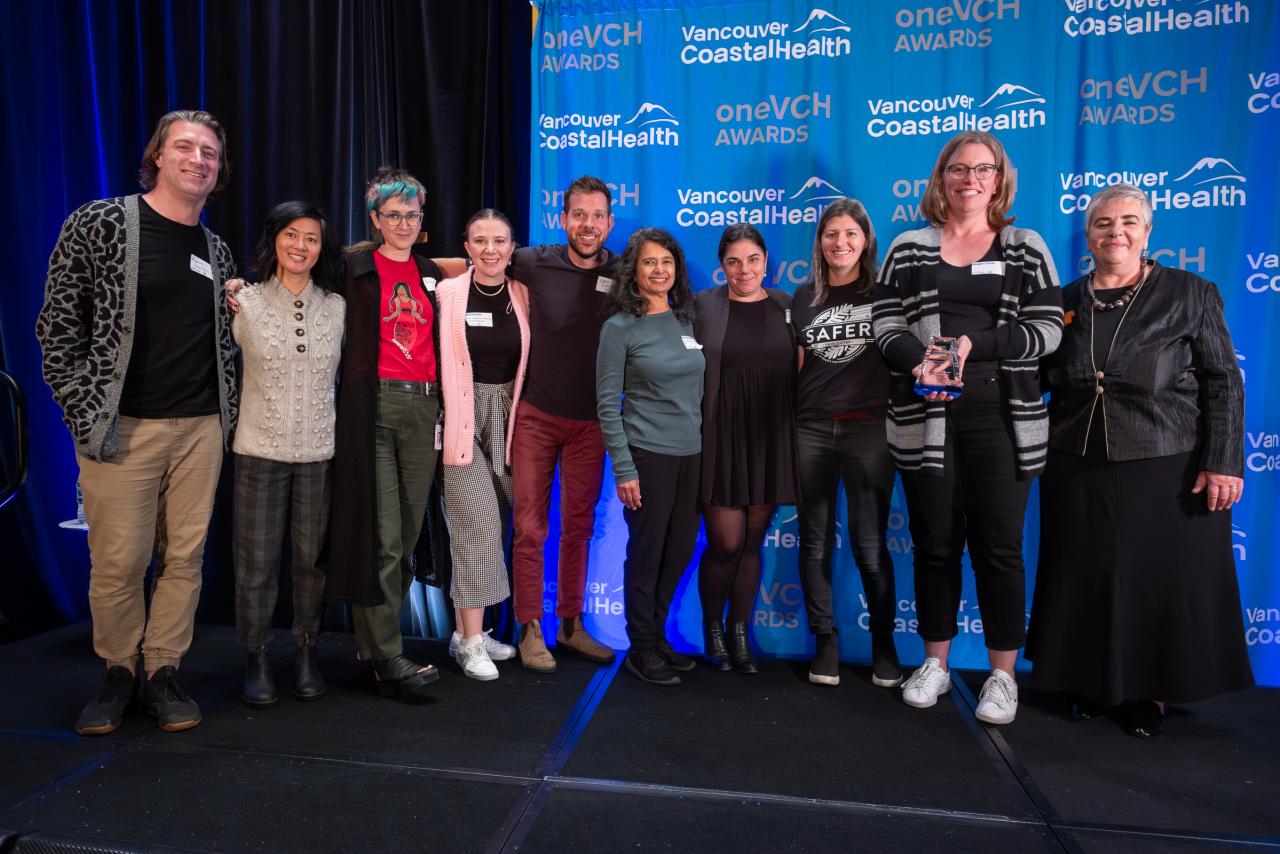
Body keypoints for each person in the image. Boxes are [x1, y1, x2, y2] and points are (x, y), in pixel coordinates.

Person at [1026, 183, 1253, 738]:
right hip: (1076, 458)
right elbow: (1035, 379)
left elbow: (1224, 381)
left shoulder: (1190, 292)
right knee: (1085, 575)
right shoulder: (1064, 299)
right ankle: (1085, 682)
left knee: (1155, 581)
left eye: (1129, 222)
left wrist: (1223, 460)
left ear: (1148, 232)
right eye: (1104, 224)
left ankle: (1148, 693)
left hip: (1166, 459)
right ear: (1089, 235)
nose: (1116, 233)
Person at [36, 109, 237, 734]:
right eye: (184, 147)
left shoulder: (216, 249)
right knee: (118, 561)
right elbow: (57, 327)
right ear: (156, 155)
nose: (197, 159)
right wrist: (83, 408)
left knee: (184, 558)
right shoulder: (98, 223)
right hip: (123, 428)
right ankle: (118, 672)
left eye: (209, 151)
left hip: (201, 428)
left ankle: (163, 671)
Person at [873, 131, 1063, 725]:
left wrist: (970, 345)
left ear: (999, 179)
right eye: (958, 169)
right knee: (934, 546)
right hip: (925, 418)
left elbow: (1048, 330)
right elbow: (883, 325)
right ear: (942, 178)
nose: (970, 179)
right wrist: (920, 360)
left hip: (1002, 420)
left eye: (983, 169)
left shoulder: (1025, 247)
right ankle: (936, 662)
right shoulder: (907, 247)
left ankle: (1003, 676)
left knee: (1000, 549)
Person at [324, 168, 445, 699]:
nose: (402, 222)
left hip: (423, 409)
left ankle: (375, 642)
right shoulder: (351, 268)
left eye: (411, 215)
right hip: (372, 406)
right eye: (391, 214)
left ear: (421, 222)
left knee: (411, 534)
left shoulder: (431, 271)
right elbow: (294, 272)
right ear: (375, 219)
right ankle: (385, 654)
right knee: (384, 538)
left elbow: (481, 267)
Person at [231, 202, 345, 707]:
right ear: (274, 238)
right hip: (258, 450)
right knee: (255, 563)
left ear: (323, 249)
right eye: (291, 235)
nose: (301, 246)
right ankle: (255, 654)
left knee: (311, 563)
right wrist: (232, 289)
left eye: (312, 239)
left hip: (319, 452)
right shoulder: (244, 301)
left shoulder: (338, 307)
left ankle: (305, 649)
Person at [508, 176, 618, 673]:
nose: (588, 225)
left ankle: (571, 626)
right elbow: (473, 262)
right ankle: (531, 628)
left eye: (597, 216)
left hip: (591, 422)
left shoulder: (625, 270)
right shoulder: (532, 261)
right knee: (530, 529)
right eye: (579, 215)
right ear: (563, 219)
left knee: (578, 528)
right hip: (536, 416)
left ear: (610, 222)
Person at [791, 199, 901, 689]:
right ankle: (825, 640)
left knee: (870, 545)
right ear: (820, 242)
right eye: (831, 233)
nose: (840, 242)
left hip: (869, 429)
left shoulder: (885, 295)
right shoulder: (801, 298)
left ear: (865, 240)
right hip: (810, 428)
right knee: (813, 541)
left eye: (850, 234)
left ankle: (883, 643)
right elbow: (795, 368)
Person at [596, 227, 705, 686]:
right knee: (646, 553)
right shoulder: (619, 327)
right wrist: (625, 468)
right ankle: (640, 646)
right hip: (648, 457)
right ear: (633, 271)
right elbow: (607, 403)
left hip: (692, 456)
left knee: (678, 550)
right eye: (648, 262)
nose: (659, 270)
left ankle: (658, 635)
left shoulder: (686, 318)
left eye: (666, 261)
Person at [694, 224, 797, 674]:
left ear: (766, 260)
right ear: (722, 266)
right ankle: (712, 629)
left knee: (753, 542)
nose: (744, 270)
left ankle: (740, 632)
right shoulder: (702, 307)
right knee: (725, 543)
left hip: (771, 438)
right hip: (719, 437)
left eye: (752, 259)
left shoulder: (787, 306)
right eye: (734, 261)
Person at [437, 209, 528, 681]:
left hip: (511, 422)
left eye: (499, 240)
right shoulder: (447, 293)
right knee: (477, 528)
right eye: (480, 241)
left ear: (513, 247)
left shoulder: (523, 294)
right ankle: (471, 643)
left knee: (502, 528)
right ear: (467, 247)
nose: (490, 249)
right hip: (462, 422)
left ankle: (468, 631)